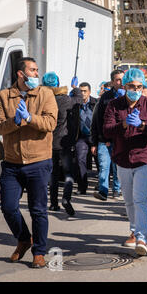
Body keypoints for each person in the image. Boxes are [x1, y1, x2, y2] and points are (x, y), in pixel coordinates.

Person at [0, 57, 58, 268]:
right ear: (21, 74)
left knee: (38, 210)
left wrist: (30, 118)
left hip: (38, 161)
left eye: (37, 70)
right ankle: (24, 239)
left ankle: (39, 252)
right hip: (12, 162)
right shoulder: (4, 96)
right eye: (32, 70)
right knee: (8, 206)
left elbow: (50, 123)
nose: (36, 74)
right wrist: (15, 121)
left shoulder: (45, 93)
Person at [103, 68, 147, 256]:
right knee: (128, 200)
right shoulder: (114, 105)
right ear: (124, 86)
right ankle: (134, 231)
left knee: (140, 199)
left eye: (138, 86)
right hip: (122, 158)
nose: (135, 89)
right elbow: (107, 130)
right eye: (131, 86)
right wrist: (125, 124)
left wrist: (143, 125)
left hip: (144, 157)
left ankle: (142, 238)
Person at [44, 72, 82, 216]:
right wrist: (75, 87)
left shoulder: (44, 99)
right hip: (64, 144)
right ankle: (66, 198)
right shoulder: (65, 99)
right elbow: (79, 99)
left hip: (49, 143)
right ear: (58, 84)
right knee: (68, 173)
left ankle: (53, 204)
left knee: (53, 174)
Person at [91, 69, 124, 200]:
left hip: (121, 139)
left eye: (122, 79)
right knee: (104, 166)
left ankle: (117, 190)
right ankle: (103, 190)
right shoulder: (105, 97)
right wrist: (98, 139)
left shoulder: (129, 96)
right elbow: (98, 119)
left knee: (118, 167)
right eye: (118, 79)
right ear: (112, 81)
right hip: (105, 139)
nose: (121, 82)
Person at [73, 82, 98, 195]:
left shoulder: (96, 103)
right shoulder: (75, 104)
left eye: (85, 91)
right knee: (80, 160)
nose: (82, 93)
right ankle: (82, 186)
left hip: (95, 136)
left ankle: (102, 186)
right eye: (81, 91)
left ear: (89, 92)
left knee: (100, 162)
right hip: (81, 137)